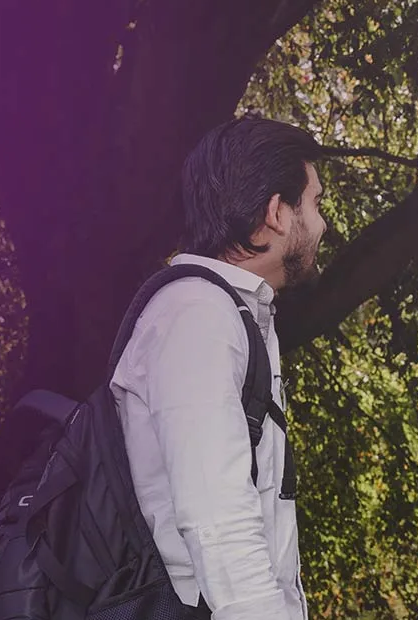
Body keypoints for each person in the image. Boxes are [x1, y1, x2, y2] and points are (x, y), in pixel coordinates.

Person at [112, 116, 327, 619]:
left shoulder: (230, 315)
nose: (323, 224)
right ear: (277, 212)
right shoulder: (198, 316)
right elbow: (218, 520)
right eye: (316, 204)